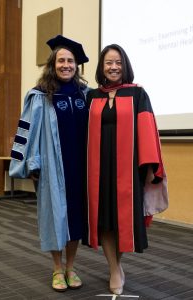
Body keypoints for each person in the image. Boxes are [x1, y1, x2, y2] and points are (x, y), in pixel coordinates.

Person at [9, 35, 90, 292]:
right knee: (54, 217)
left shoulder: (86, 94)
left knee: (76, 218)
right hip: (53, 166)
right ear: (52, 64)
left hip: (81, 166)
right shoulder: (40, 95)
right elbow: (27, 131)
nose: (66, 64)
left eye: (70, 61)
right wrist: (32, 162)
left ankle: (71, 267)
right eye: (61, 60)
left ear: (77, 65)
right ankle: (57, 268)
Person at [86, 44, 168, 295]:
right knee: (105, 222)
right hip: (98, 169)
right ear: (102, 67)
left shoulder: (138, 94)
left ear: (125, 66)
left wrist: (150, 167)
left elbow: (146, 130)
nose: (113, 67)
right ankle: (114, 269)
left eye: (118, 62)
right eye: (109, 63)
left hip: (128, 170)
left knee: (123, 221)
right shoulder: (92, 96)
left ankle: (117, 266)